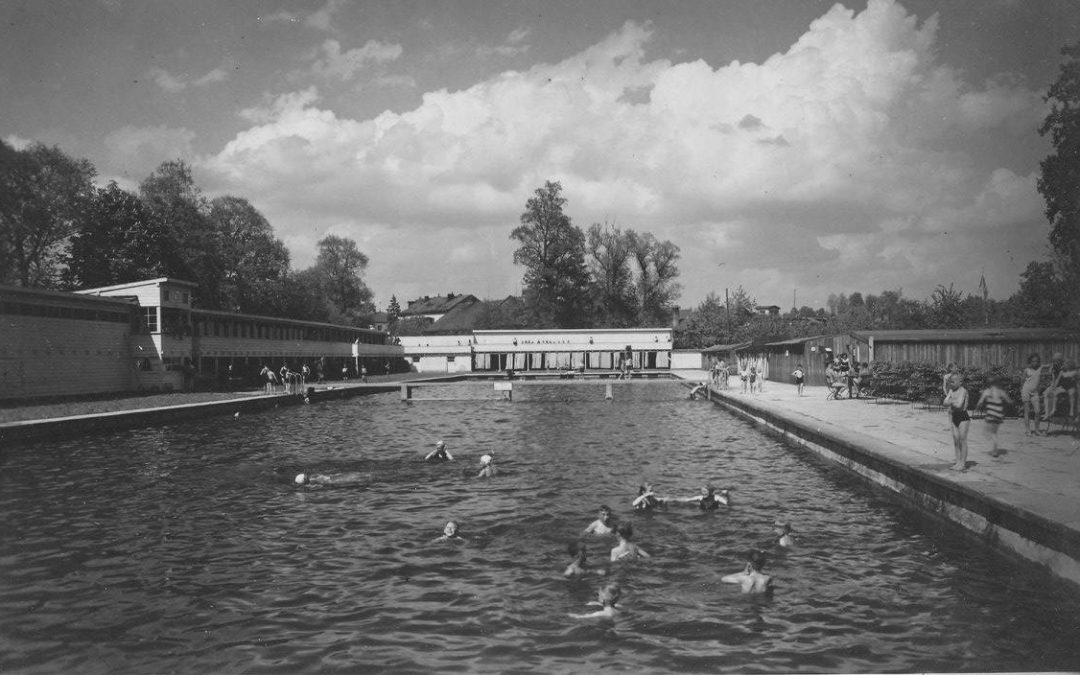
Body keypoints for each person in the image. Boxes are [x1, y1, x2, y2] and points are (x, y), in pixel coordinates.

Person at [975, 377, 1013, 458]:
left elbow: (980, 402)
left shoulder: (987, 391)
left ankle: (995, 449)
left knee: (990, 433)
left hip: (991, 414)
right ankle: (994, 446)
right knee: (994, 432)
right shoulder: (1001, 392)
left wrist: (977, 408)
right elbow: (1009, 401)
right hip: (999, 414)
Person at [943, 373, 970, 471]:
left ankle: (963, 463)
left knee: (962, 440)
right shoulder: (951, 391)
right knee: (956, 441)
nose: (951, 384)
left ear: (960, 382)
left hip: (963, 418)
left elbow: (959, 405)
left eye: (953, 382)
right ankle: (958, 462)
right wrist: (952, 402)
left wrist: (950, 402)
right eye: (950, 382)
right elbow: (944, 402)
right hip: (954, 417)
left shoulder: (963, 391)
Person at [1020, 353, 1044, 436]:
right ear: (1030, 361)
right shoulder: (1026, 370)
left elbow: (1050, 366)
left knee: (1038, 411)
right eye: (1033, 361)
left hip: (1035, 392)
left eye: (1037, 361)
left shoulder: (1040, 369)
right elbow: (1022, 381)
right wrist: (1022, 391)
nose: (1035, 363)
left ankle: (1037, 430)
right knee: (1027, 411)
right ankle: (1028, 430)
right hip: (1026, 391)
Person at [1042, 353, 1067, 420]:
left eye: (1058, 360)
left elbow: (1059, 378)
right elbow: (1053, 378)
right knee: (1046, 393)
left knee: (1053, 393)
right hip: (1057, 385)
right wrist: (1052, 387)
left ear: (1061, 360)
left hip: (1064, 386)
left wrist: (1054, 388)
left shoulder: (1063, 367)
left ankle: (1053, 410)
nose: (1057, 362)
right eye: (1055, 360)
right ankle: (1047, 413)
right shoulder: (1054, 367)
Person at [294, 471, 367, 486]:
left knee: (353, 478)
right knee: (354, 476)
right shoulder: (313, 476)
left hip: (332, 480)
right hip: (332, 477)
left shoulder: (313, 482)